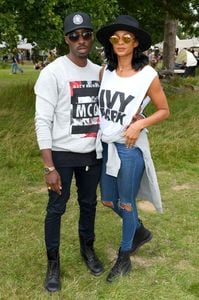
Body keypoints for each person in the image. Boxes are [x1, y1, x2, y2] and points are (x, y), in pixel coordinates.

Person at [96, 15, 170, 282]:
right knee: (108, 199)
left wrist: (139, 124)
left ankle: (124, 257)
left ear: (136, 42)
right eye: (115, 38)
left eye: (127, 37)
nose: (120, 42)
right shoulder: (106, 71)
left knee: (126, 203)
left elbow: (164, 110)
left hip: (129, 148)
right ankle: (138, 230)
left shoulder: (148, 75)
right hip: (107, 147)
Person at [34, 12, 104, 293]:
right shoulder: (53, 72)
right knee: (56, 209)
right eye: (75, 35)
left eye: (86, 34)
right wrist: (49, 167)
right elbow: (42, 120)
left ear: (91, 37)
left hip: (92, 155)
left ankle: (87, 249)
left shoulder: (99, 71)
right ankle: (53, 263)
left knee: (89, 205)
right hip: (61, 156)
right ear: (66, 39)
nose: (81, 40)